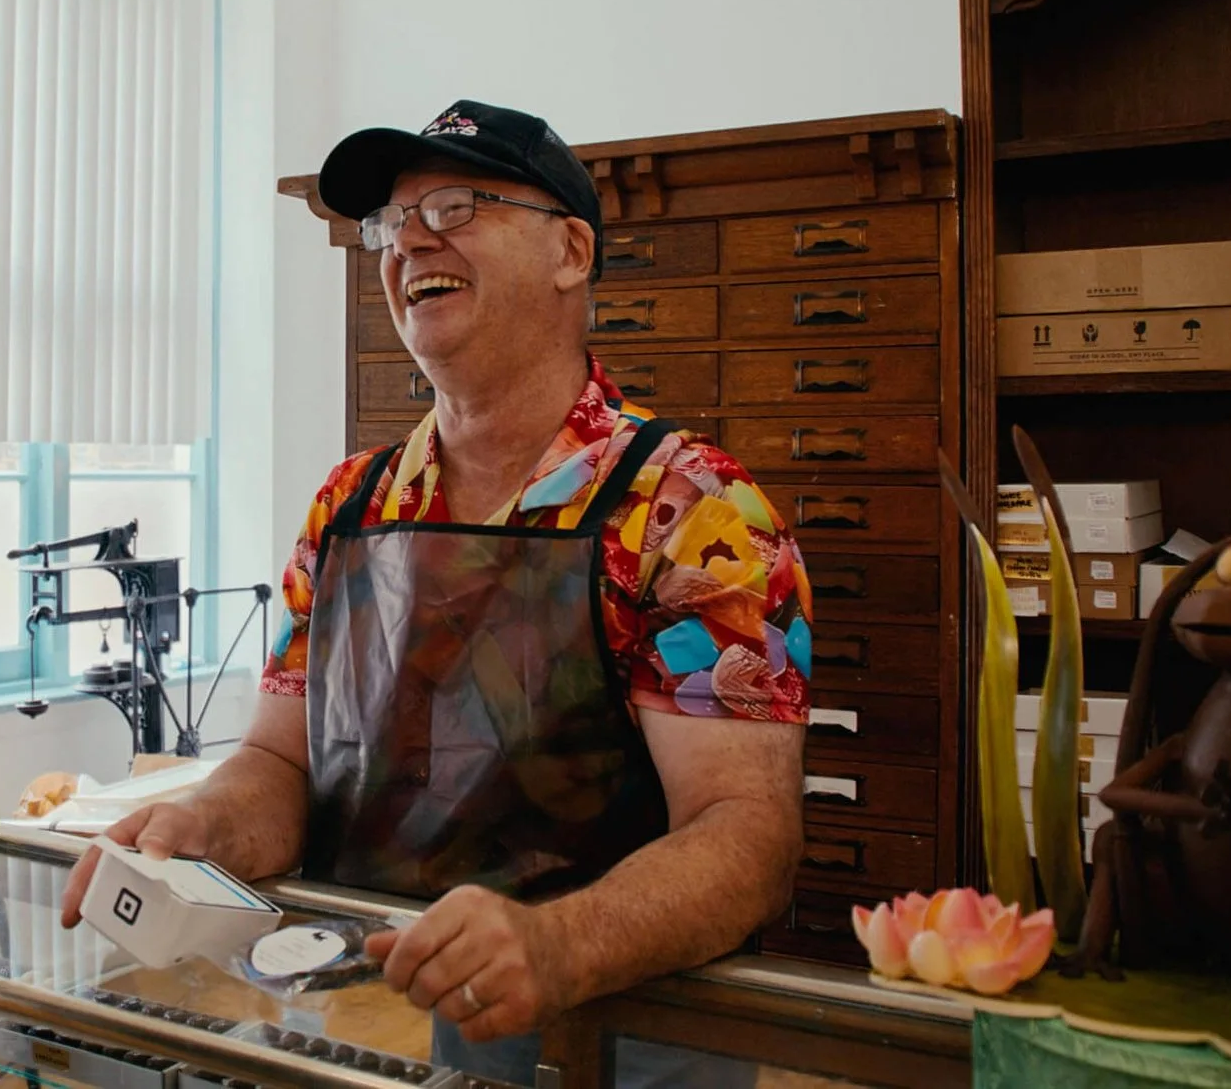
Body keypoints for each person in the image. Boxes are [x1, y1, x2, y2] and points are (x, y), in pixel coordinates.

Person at [63, 100, 811, 1084]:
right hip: (362, 1029)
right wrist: (203, 827)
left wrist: (564, 945)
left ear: (570, 251)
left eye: (454, 205)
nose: (410, 238)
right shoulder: (348, 507)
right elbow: (277, 765)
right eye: (389, 221)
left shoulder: (693, 512)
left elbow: (747, 836)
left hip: (603, 1045)